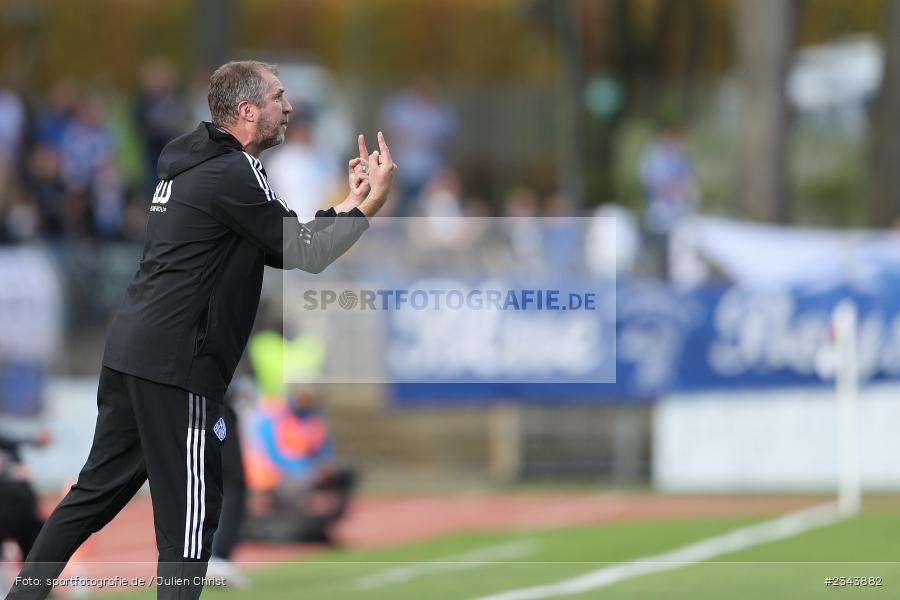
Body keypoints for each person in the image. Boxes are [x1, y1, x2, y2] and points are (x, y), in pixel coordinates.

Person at [5, 60, 396, 600]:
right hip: (179, 364)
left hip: (133, 350)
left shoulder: (192, 162)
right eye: (279, 97)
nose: (288, 107)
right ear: (247, 111)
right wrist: (370, 205)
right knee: (190, 519)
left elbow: (282, 245)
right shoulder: (236, 171)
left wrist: (350, 202)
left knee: (91, 497)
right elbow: (304, 251)